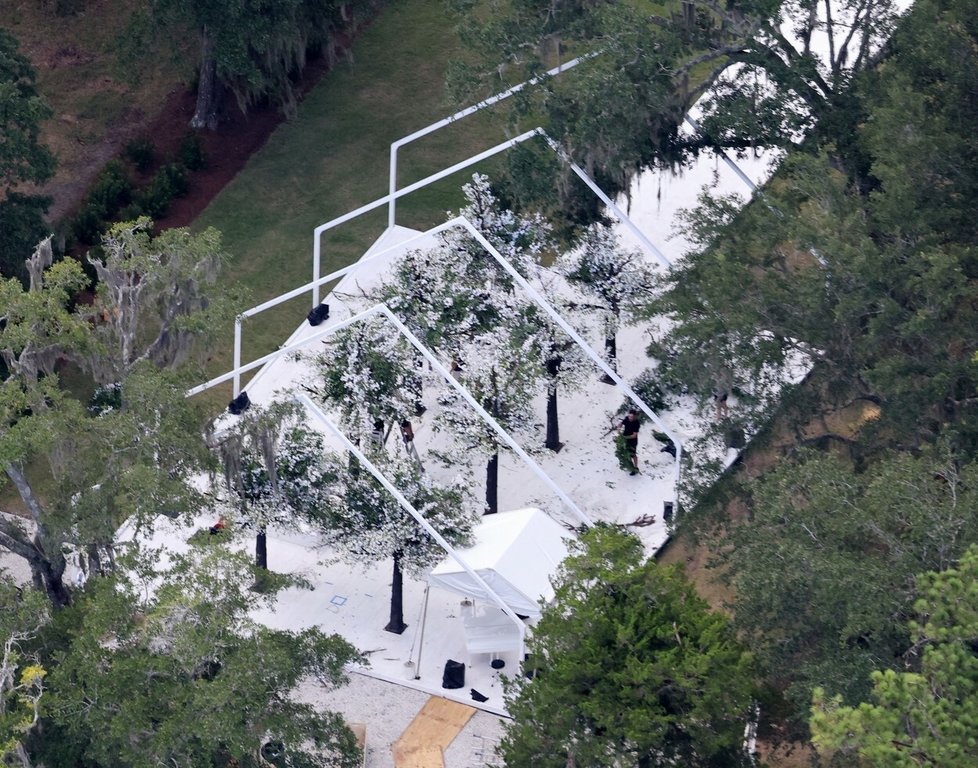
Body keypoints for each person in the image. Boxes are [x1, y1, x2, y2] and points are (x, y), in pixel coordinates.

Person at [619, 409, 641, 475]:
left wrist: (625, 437)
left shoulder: (636, 423)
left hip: (632, 441)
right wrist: (619, 427)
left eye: (631, 417)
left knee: (633, 454)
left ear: (635, 416)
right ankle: (630, 466)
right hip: (625, 440)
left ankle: (635, 467)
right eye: (629, 416)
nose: (630, 418)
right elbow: (621, 423)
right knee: (626, 453)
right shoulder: (627, 419)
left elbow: (634, 435)